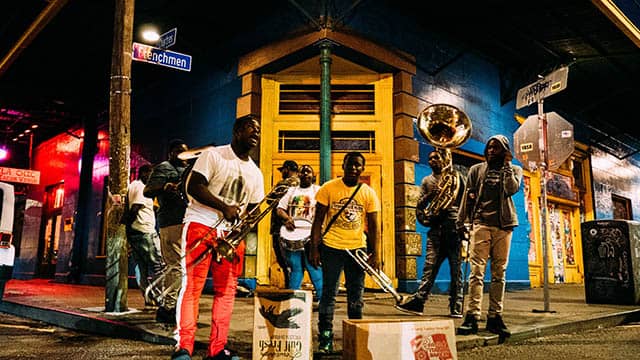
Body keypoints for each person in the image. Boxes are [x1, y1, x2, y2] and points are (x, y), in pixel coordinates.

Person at [171, 115, 265, 360]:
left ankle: (217, 349)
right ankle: (184, 347)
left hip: (231, 236)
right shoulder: (214, 155)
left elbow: (253, 211)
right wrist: (224, 207)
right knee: (192, 288)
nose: (255, 133)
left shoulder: (256, 173)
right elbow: (194, 186)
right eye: (250, 128)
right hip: (201, 224)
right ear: (236, 131)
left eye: (258, 130)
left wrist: (244, 226)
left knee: (227, 292)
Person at [308, 152, 381, 353]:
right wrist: (314, 249)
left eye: (358, 165)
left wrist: (376, 253)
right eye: (350, 164)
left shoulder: (368, 193)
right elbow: (317, 222)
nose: (354, 168)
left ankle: (355, 338)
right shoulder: (328, 188)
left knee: (356, 296)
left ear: (362, 168)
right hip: (332, 247)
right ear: (343, 165)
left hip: (357, 248)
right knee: (328, 294)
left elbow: (375, 226)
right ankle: (325, 338)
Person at [455, 135, 523, 338]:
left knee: (498, 273)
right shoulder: (476, 170)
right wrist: (461, 222)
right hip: (481, 224)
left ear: (505, 151)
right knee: (476, 272)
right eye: (489, 147)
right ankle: (472, 316)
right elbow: (467, 197)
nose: (491, 151)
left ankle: (495, 316)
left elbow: (511, 189)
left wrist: (507, 166)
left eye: (497, 148)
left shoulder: (515, 170)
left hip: (504, 226)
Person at [395, 150, 466, 317]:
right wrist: (430, 195)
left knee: (457, 271)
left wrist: (465, 224)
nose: (432, 160)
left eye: (436, 157)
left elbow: (465, 202)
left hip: (453, 229)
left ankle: (456, 304)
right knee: (429, 268)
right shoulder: (427, 180)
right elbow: (419, 205)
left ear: (443, 159)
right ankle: (419, 302)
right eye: (430, 158)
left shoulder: (457, 177)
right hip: (435, 230)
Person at [143, 138, 189, 325]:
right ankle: (168, 308)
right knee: (177, 266)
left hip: (187, 222)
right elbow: (148, 190)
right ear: (170, 153)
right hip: (171, 222)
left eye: (185, 151)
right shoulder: (164, 168)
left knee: (181, 266)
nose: (182, 155)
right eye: (178, 151)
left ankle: (172, 305)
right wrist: (165, 186)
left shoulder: (187, 170)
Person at [275, 164, 323, 301]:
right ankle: (292, 301)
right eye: (303, 172)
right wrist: (286, 218)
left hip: (311, 236)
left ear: (313, 176)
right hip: (293, 233)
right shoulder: (291, 191)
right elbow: (280, 209)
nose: (305, 174)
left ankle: (322, 300)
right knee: (296, 268)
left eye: (309, 172)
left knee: (313, 266)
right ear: (299, 175)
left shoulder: (318, 190)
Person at [125, 164, 164, 307]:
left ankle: (148, 297)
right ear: (143, 173)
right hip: (146, 231)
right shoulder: (141, 188)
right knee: (157, 266)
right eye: (151, 175)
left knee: (140, 267)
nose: (152, 178)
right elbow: (135, 208)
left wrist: (128, 231)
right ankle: (161, 298)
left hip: (136, 233)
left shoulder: (132, 186)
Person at [270, 160, 299, 288]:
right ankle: (293, 286)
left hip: (280, 227)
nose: (282, 173)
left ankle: (289, 288)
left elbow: (269, 200)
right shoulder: (303, 184)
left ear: (287, 169)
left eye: (283, 170)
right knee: (296, 259)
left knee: (283, 259)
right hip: (298, 228)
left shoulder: (284, 183)